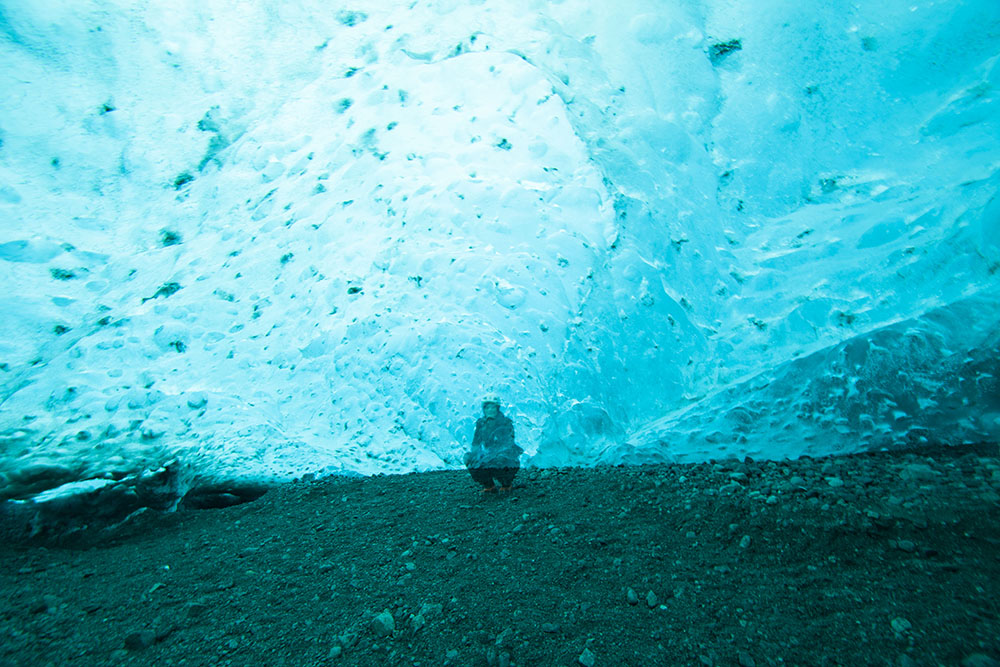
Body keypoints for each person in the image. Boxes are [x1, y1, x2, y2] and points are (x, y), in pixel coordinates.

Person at [463, 394, 523, 493]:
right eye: (487, 407)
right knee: (469, 458)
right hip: (488, 455)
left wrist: (495, 455)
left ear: (497, 408)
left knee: (500, 460)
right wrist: (474, 456)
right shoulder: (481, 424)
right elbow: (476, 443)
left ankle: (506, 483)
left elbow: (508, 443)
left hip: (504, 455)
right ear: (484, 409)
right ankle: (489, 485)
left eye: (493, 407)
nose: (490, 410)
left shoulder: (506, 423)